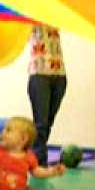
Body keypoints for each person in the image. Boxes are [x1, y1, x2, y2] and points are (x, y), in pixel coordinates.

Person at [27, 24, 67, 166]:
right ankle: (38, 160)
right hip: (39, 74)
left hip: (59, 74)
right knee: (41, 123)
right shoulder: (31, 18)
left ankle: (35, 154)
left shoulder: (55, 17)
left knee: (48, 122)